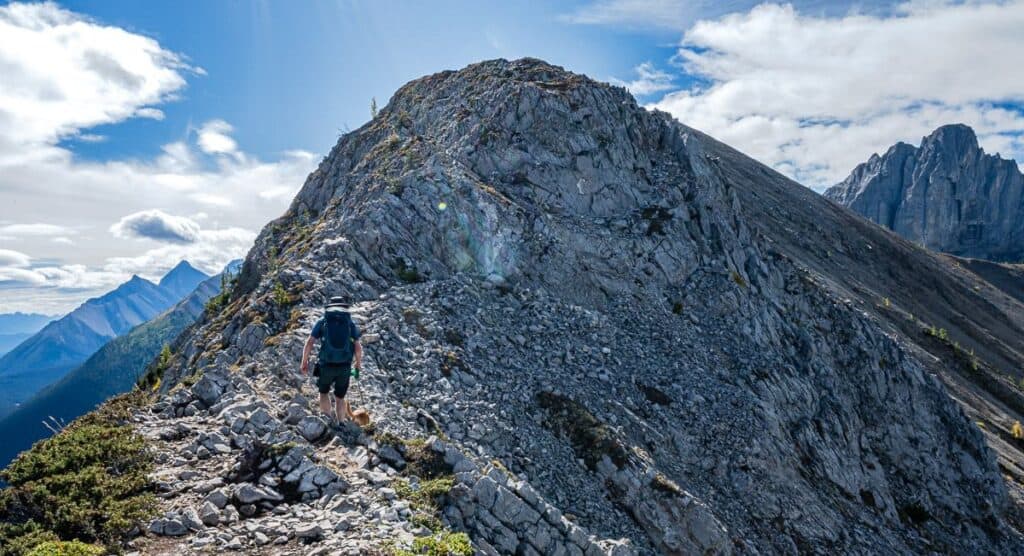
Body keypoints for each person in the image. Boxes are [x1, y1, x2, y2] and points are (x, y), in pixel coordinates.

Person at [300, 296, 362, 425]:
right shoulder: (349, 323)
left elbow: (310, 342)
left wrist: (304, 361)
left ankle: (327, 420)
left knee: (323, 392)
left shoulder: (323, 321)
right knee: (340, 397)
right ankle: (341, 422)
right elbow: (357, 346)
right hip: (344, 366)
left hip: (326, 365)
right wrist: (357, 365)